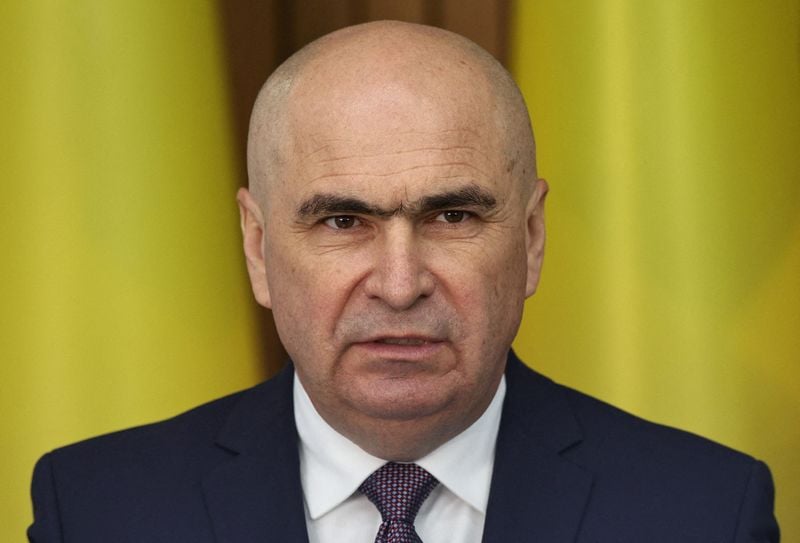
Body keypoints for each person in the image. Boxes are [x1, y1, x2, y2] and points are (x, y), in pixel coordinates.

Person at [28, 21, 779, 542]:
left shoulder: (704, 513)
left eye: (452, 216)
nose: (398, 284)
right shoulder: (97, 511)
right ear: (258, 248)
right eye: (342, 221)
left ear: (530, 238)